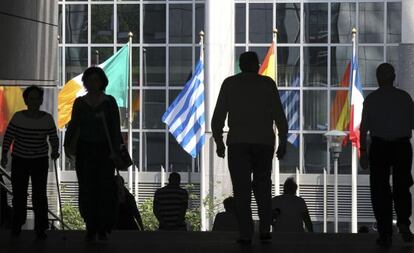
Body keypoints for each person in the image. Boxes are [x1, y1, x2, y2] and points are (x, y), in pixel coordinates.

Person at [211, 51, 288, 244]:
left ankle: (245, 233)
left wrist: (219, 141)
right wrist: (283, 141)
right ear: (256, 64)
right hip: (263, 143)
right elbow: (279, 115)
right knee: (263, 186)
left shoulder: (230, 84)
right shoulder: (268, 84)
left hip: (238, 143)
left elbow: (218, 116)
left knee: (241, 189)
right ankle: (264, 229)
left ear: (241, 65)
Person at [64, 67, 122, 242]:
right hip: (85, 151)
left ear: (102, 82)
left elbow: (115, 128)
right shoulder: (80, 103)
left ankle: (103, 227)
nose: (93, 83)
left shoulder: (109, 102)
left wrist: (117, 151)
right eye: (89, 80)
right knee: (87, 188)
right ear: (85, 83)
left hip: (105, 152)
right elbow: (73, 125)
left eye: (96, 80)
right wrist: (67, 146)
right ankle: (90, 225)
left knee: (104, 189)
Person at [360, 63, 414, 248]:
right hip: (401, 146)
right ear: (394, 77)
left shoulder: (371, 100)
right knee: (402, 186)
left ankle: (385, 233)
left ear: (378, 78)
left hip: (380, 147)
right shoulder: (404, 98)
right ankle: (404, 223)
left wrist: (363, 152)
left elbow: (364, 129)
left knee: (380, 190)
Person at [1, 85, 59, 239]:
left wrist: (55, 150)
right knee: (19, 194)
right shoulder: (18, 117)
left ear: (41, 101)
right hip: (20, 159)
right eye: (31, 98)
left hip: (39, 160)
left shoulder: (47, 119)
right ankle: (17, 224)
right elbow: (8, 137)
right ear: (26, 100)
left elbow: (53, 137)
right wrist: (4, 155)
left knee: (39, 195)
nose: (34, 101)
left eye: (37, 98)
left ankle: (40, 228)